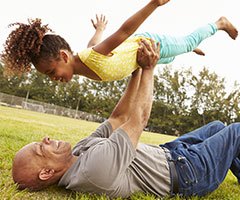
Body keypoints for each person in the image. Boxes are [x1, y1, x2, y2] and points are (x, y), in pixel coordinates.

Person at [12, 40, 240, 199]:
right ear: (46, 173)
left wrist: (136, 71)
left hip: (172, 153)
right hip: (190, 173)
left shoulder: (78, 153)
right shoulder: (92, 171)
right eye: (40, 149)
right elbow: (138, 119)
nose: (45, 138)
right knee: (236, 131)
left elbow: (118, 117)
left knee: (218, 127)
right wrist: (149, 69)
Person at [1, 0, 238, 82]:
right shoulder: (87, 57)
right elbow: (94, 43)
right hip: (141, 58)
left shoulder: (91, 58)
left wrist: (153, 4)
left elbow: (124, 32)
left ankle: (219, 23)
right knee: (172, 57)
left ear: (63, 56)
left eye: (52, 72)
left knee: (184, 44)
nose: (54, 78)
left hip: (149, 44)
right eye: (49, 76)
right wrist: (100, 29)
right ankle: (186, 46)